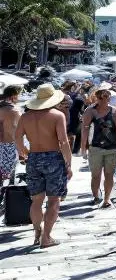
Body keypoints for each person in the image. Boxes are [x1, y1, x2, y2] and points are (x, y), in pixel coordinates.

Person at [14, 83, 73, 247]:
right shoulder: (57, 115)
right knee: (54, 200)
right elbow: (63, 141)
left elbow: (17, 137)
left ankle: (37, 232)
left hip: (33, 158)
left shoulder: (25, 117)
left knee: (36, 200)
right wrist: (68, 163)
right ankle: (46, 238)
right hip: (53, 157)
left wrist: (24, 152)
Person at [80, 86, 116, 208]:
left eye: (106, 97)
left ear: (109, 98)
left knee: (109, 174)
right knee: (96, 175)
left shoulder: (115, 111)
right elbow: (84, 130)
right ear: (97, 97)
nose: (104, 99)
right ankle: (96, 197)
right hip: (95, 148)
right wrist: (83, 147)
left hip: (112, 147)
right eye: (101, 97)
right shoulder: (89, 111)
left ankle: (106, 199)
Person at [0, 85, 22, 183]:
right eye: (18, 95)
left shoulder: (2, 107)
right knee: (8, 178)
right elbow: (13, 131)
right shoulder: (13, 111)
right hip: (8, 146)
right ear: (13, 96)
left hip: (2, 145)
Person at [66, 81, 85, 154]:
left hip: (70, 116)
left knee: (70, 133)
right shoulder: (78, 97)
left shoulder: (68, 96)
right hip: (76, 117)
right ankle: (75, 150)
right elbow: (82, 109)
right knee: (78, 134)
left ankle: (70, 149)